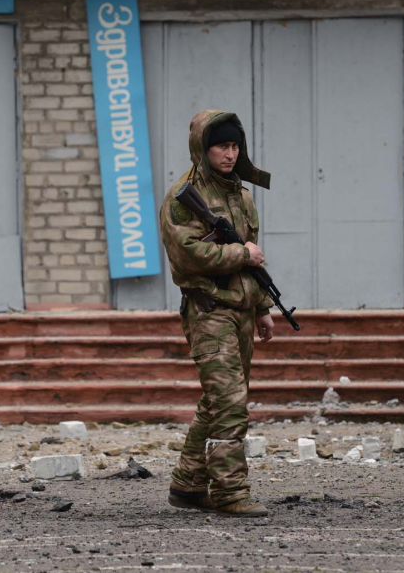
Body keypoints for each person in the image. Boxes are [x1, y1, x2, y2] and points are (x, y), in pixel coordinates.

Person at [159, 109, 275, 517]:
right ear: (202, 149)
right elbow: (187, 254)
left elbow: (252, 262)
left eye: (235, 146)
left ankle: (189, 485)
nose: (230, 153)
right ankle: (230, 492)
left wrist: (263, 307)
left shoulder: (241, 195)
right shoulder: (182, 197)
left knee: (216, 401)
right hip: (208, 309)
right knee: (229, 402)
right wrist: (239, 252)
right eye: (222, 146)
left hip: (242, 310)